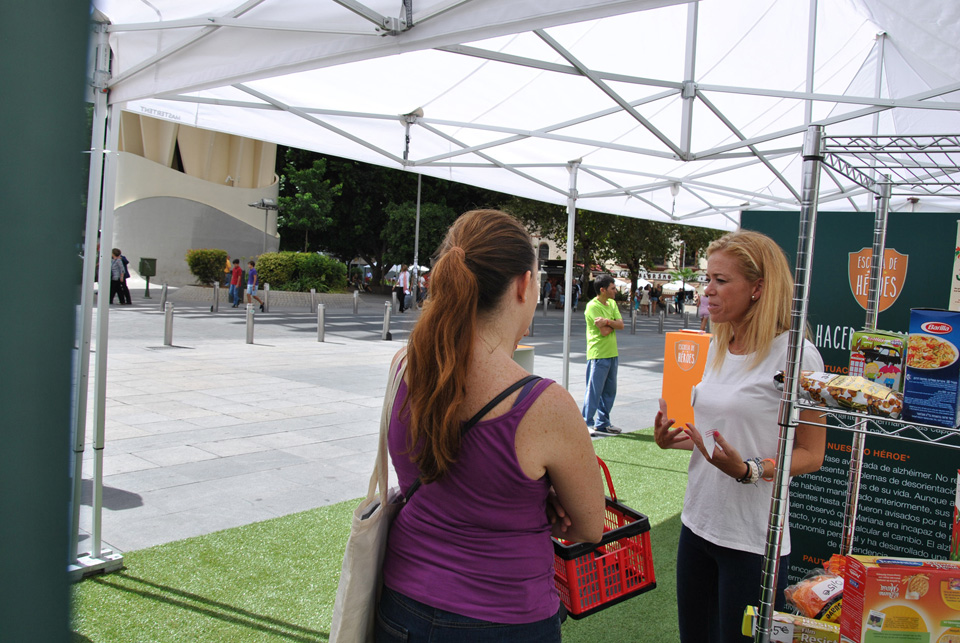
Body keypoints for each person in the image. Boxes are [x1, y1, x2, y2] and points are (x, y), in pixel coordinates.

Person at [378, 209, 604, 642]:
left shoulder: (404, 366)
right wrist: (541, 503)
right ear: (523, 284)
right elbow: (589, 527)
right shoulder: (546, 405)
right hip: (507, 618)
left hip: (400, 605)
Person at [653, 230, 825, 643]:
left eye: (720, 280)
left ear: (758, 288)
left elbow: (812, 453)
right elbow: (720, 435)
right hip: (698, 523)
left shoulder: (797, 356)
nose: (707, 290)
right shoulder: (720, 343)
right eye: (706, 278)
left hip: (752, 540)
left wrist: (750, 470)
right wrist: (674, 439)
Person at [582, 274, 624, 437]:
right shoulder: (592, 306)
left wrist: (606, 321)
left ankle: (603, 423)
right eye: (612, 288)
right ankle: (586, 422)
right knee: (594, 390)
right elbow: (605, 332)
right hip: (598, 354)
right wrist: (612, 323)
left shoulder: (612, 303)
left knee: (609, 391)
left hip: (612, 353)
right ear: (602, 290)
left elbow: (620, 325)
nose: (615, 291)